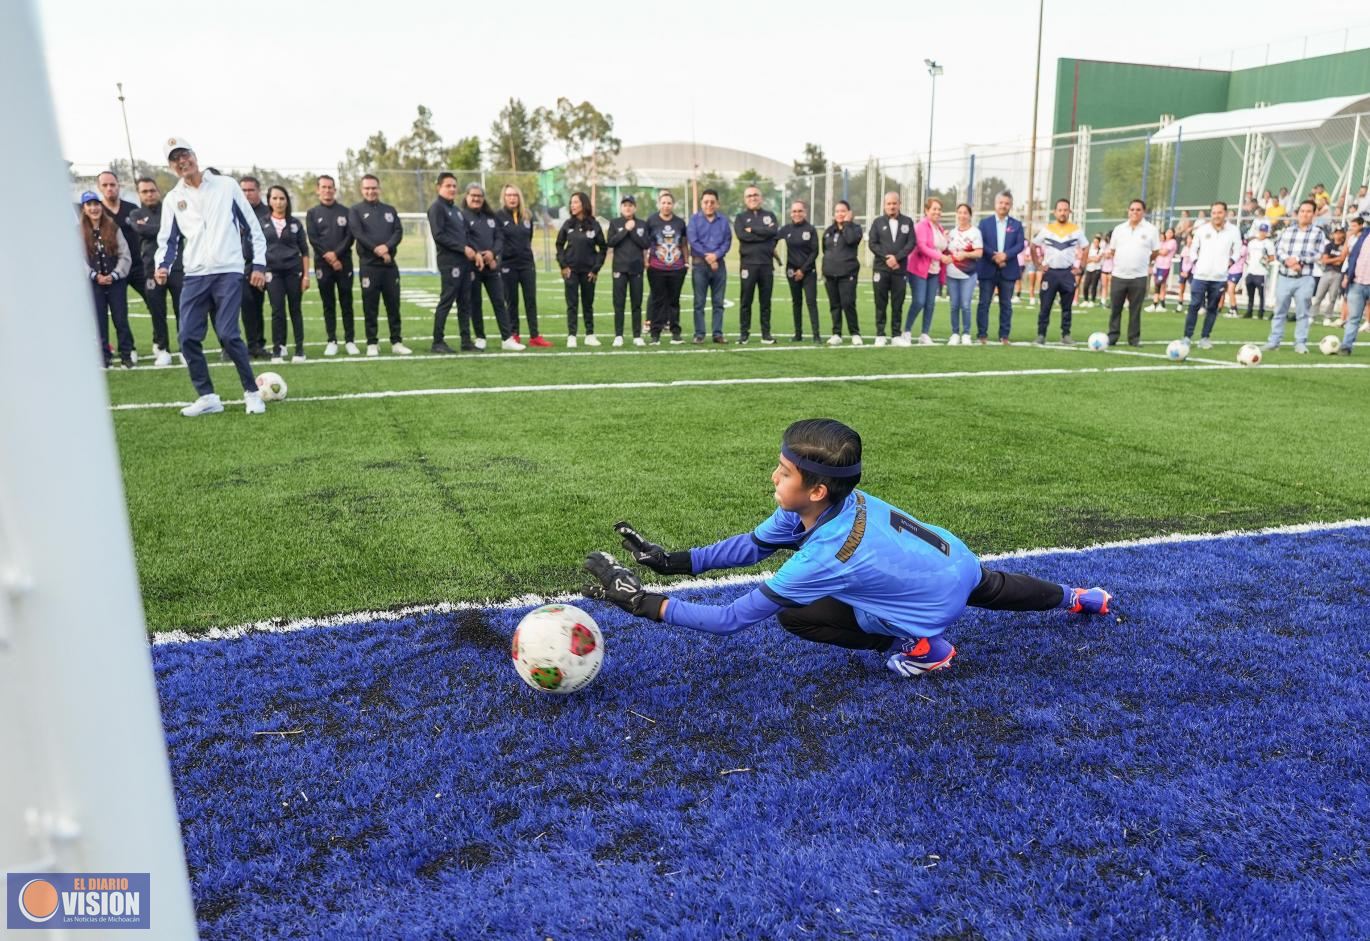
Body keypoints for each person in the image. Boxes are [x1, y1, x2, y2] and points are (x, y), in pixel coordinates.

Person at [583, 418, 1112, 678]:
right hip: (955, 559)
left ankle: (924, 648)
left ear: (815, 489)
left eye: (783, 472)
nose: (773, 477)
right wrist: (670, 562)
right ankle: (1081, 597)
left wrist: (642, 602)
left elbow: (729, 621)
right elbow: (754, 546)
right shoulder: (832, 500)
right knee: (992, 587)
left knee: (796, 616)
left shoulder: (822, 556)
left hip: (930, 603)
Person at [153, 137, 266, 416]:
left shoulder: (226, 185)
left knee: (228, 334)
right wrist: (162, 265)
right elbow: (168, 240)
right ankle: (208, 397)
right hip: (195, 275)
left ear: (194, 155)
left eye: (184, 155)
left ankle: (252, 393)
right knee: (186, 337)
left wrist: (259, 264)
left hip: (228, 270)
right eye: (175, 159)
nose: (182, 162)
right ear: (171, 166)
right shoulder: (173, 199)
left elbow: (252, 227)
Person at [349, 175, 412, 356]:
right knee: (370, 306)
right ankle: (372, 343)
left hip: (389, 266)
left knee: (393, 305)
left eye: (374, 188)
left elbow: (398, 232)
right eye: (367, 188)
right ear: (362, 190)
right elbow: (358, 234)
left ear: (379, 188)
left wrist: (387, 247)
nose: (371, 191)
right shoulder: (355, 210)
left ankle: (396, 342)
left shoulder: (389, 210)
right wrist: (378, 250)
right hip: (369, 266)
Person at [461, 183, 525, 352]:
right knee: (475, 303)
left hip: (491, 266)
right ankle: (480, 337)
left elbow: (499, 237)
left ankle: (507, 338)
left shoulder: (491, 217)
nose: (476, 199)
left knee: (499, 301)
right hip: (472, 266)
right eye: (473, 195)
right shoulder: (462, 217)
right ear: (467, 197)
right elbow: (464, 239)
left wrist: (493, 253)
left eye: (479, 196)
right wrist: (478, 253)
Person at [1262, 200, 1328, 354]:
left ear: (1314, 214)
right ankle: (1274, 341)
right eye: (1302, 211)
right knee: (1279, 311)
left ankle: (1300, 343)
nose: (1305, 214)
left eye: (1308, 211)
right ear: (1298, 213)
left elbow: (1317, 253)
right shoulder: (1287, 231)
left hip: (1305, 278)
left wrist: (1298, 260)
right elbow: (1278, 250)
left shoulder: (1318, 233)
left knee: (1303, 313)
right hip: (1285, 276)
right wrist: (1287, 261)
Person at [126, 178, 178, 366]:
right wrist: (166, 228)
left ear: (158, 191)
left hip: (177, 266)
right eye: (144, 191)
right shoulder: (136, 213)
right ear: (139, 194)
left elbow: (179, 230)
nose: (149, 194)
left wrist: (152, 228)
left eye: (152, 190)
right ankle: (163, 349)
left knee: (182, 309)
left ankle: (186, 348)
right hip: (150, 269)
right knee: (157, 311)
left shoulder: (171, 209)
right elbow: (141, 230)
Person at [79, 191, 134, 368]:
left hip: (116, 282)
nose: (93, 208)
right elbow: (77, 259)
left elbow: (125, 255)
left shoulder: (113, 228)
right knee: (99, 321)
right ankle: (104, 355)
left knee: (121, 320)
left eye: (96, 204)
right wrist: (94, 276)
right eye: (89, 205)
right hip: (94, 284)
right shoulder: (78, 232)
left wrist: (115, 274)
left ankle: (126, 354)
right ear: (84, 208)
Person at [306, 174, 358, 356]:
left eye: (330, 187)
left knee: (346, 302)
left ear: (335, 190)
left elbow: (350, 236)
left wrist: (336, 255)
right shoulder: (312, 213)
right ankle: (332, 340)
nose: (327, 190)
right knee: (328, 304)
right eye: (324, 187)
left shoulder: (346, 211)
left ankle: (350, 340)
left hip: (344, 264)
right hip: (323, 265)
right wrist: (329, 257)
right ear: (318, 190)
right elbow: (313, 239)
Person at [1182, 201, 1243, 350]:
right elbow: (1193, 249)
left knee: (1212, 308)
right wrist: (1196, 262)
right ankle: (1187, 337)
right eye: (1214, 212)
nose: (1216, 215)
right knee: (1194, 305)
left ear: (1225, 213)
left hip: (1219, 278)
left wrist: (1230, 262)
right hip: (1200, 276)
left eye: (1219, 212)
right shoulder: (1202, 230)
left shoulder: (1233, 231)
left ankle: (1205, 337)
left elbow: (1237, 251)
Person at [497, 184, 549, 347]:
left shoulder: (527, 215)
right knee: (511, 301)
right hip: (508, 265)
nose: (512, 198)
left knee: (530, 300)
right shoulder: (498, 216)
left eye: (515, 195)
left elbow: (529, 237)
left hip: (526, 263)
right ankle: (514, 334)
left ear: (519, 197)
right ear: (504, 197)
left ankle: (535, 336)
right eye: (509, 195)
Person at [262, 185, 309, 363]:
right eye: (274, 198)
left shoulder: (295, 224)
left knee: (295, 309)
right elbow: (257, 248)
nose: (278, 202)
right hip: (272, 273)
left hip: (293, 272)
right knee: (277, 311)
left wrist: (306, 276)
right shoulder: (262, 223)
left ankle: (299, 350)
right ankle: (278, 349)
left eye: (282, 198)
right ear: (269, 201)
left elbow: (305, 251)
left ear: (287, 201)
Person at [1105, 199, 1160, 348]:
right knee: (1115, 308)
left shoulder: (1151, 230)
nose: (1134, 212)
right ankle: (1112, 336)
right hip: (1119, 275)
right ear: (1128, 211)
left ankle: (1134, 338)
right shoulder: (1119, 229)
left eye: (1138, 209)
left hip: (1139, 276)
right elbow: (1113, 250)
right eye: (1132, 209)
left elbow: (1155, 252)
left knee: (1135, 310)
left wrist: (1144, 262)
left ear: (1144, 212)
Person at [1031, 197, 1086, 345]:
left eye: (1065, 210)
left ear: (1069, 212)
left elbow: (1085, 247)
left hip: (1067, 273)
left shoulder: (1076, 230)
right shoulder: (1047, 229)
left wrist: (1081, 267)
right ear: (1055, 212)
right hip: (1050, 274)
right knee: (1045, 306)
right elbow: (1033, 245)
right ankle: (1041, 334)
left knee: (1067, 307)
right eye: (1060, 210)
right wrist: (1038, 264)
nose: (1062, 213)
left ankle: (1066, 334)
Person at [556, 191, 606, 348]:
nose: (572, 205)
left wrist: (595, 269)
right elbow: (559, 245)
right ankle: (572, 336)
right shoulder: (568, 224)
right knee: (572, 304)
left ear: (584, 204)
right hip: (571, 271)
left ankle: (590, 335)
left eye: (576, 202)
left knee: (588, 304)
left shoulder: (594, 225)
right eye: (571, 202)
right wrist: (563, 265)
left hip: (588, 272)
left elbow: (603, 248)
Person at [426, 172, 468, 354]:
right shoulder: (437, 208)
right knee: (447, 300)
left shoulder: (456, 210)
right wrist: (462, 248)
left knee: (465, 302)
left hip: (464, 261)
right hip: (450, 262)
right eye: (448, 185)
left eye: (454, 186)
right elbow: (439, 236)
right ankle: (437, 341)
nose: (452, 189)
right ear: (439, 187)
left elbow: (463, 234)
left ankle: (466, 340)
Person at [975, 190, 1024, 345]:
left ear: (1011, 205)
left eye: (1007, 203)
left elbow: (1020, 245)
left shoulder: (1016, 225)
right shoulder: (984, 223)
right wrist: (995, 256)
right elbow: (981, 243)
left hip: (1008, 269)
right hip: (988, 267)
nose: (1003, 206)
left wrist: (1005, 256)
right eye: (1001, 203)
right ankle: (982, 335)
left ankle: (1004, 335)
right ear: (995, 204)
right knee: (984, 303)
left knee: (1006, 305)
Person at [866, 192, 915, 346]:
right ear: (884, 205)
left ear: (899, 204)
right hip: (881, 268)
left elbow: (911, 243)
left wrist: (897, 258)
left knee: (897, 303)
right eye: (889, 203)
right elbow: (872, 243)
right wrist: (887, 258)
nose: (892, 206)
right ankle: (880, 334)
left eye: (894, 203)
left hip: (899, 269)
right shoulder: (877, 222)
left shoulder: (907, 222)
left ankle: (896, 335)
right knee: (880, 302)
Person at [734, 185, 780, 344]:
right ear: (745, 199)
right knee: (746, 301)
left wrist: (752, 230)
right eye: (749, 196)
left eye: (755, 195)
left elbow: (773, 232)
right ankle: (744, 334)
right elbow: (742, 236)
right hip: (748, 265)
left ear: (761, 197)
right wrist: (763, 233)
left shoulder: (770, 215)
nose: (752, 198)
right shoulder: (740, 218)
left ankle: (766, 334)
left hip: (766, 264)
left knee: (765, 301)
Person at [644, 190, 689, 344]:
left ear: (673, 205)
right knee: (657, 301)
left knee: (674, 301)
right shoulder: (651, 221)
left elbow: (684, 243)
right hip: (656, 268)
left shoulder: (679, 223)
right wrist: (646, 261)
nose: (666, 205)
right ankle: (655, 334)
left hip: (677, 268)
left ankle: (675, 333)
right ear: (659, 204)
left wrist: (686, 262)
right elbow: (645, 243)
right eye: (663, 203)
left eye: (669, 203)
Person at [606, 194, 651, 347]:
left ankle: (637, 335)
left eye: (630, 205)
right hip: (619, 268)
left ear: (635, 208)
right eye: (625, 205)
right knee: (619, 303)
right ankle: (618, 335)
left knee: (636, 303)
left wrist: (632, 231)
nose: (627, 208)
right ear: (621, 208)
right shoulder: (615, 223)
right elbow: (611, 242)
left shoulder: (642, 224)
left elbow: (645, 244)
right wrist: (625, 230)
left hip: (636, 269)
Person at [904, 197, 949, 346]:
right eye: (934, 209)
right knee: (919, 301)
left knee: (930, 304)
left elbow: (942, 247)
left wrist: (947, 246)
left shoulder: (940, 228)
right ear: (927, 210)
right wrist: (940, 257)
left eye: (939, 209)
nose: (937, 212)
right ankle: (907, 331)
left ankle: (924, 334)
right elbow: (922, 247)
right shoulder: (921, 226)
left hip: (934, 271)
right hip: (919, 270)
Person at [236, 176, 272, 358]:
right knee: (247, 305)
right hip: (241, 266)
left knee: (260, 306)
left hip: (264, 266)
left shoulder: (268, 212)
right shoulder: (235, 212)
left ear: (259, 191)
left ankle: (261, 344)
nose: (247, 194)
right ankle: (251, 345)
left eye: (251, 190)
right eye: (243, 190)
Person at [690, 189, 731, 344]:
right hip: (700, 266)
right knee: (699, 302)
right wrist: (709, 257)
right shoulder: (694, 220)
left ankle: (717, 333)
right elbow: (693, 241)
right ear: (701, 203)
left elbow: (727, 242)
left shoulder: (724, 221)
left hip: (719, 266)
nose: (709, 205)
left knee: (718, 302)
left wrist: (716, 256)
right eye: (706, 202)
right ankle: (699, 334)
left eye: (712, 202)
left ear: (717, 204)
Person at [777, 200, 821, 343]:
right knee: (796, 302)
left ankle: (816, 335)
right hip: (791, 272)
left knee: (811, 302)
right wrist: (774, 256)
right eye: (794, 211)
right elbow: (771, 240)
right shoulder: (786, 229)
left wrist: (802, 270)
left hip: (808, 272)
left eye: (800, 211)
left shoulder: (811, 229)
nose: (797, 214)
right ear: (791, 214)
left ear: (805, 212)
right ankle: (798, 334)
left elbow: (815, 252)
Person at [822, 201, 863, 346]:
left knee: (848, 303)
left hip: (847, 273)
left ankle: (855, 333)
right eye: (837, 211)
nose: (840, 214)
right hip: (830, 274)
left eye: (843, 211)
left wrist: (846, 223)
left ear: (849, 213)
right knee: (834, 305)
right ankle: (836, 333)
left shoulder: (855, 229)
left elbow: (851, 240)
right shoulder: (829, 231)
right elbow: (825, 250)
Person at [944, 203, 982, 345]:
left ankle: (966, 333)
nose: (962, 215)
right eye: (959, 212)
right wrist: (944, 239)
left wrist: (965, 254)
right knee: (954, 305)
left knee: (965, 305)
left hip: (968, 274)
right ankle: (955, 333)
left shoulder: (975, 232)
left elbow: (979, 253)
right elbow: (945, 250)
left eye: (965, 213)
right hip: (951, 274)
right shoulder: (951, 233)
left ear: (970, 215)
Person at [1337, 214, 1369, 355]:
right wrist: (1347, 276)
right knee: (1353, 317)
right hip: (1357, 282)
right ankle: (1346, 346)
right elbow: (1353, 258)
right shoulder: (1362, 237)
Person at [1313, 227, 1348, 326]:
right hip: (1327, 272)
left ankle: (1327, 316)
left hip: (1338, 273)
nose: (1338, 235)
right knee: (1319, 295)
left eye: (1340, 233)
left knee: (1333, 297)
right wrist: (1337, 259)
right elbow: (1325, 260)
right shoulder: (1329, 246)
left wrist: (1333, 260)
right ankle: (1312, 315)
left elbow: (1342, 259)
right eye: (1336, 233)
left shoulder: (1344, 246)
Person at [1243, 223, 1275, 319]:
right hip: (1251, 270)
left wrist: (1266, 260)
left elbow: (1272, 257)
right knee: (1250, 293)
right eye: (1261, 230)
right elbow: (1248, 255)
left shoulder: (1269, 243)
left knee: (1261, 294)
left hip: (1261, 272)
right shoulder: (1252, 243)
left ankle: (1261, 312)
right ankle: (1249, 311)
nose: (1262, 233)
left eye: (1264, 231)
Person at [1148, 227, 1176, 311]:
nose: (1168, 234)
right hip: (1158, 266)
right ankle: (1159, 304)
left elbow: (1164, 253)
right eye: (1167, 232)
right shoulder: (1162, 242)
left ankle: (1158, 304)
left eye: (1170, 232)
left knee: (1159, 283)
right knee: (1160, 285)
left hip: (1165, 266)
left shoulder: (1172, 242)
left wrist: (1157, 251)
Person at [1080, 234, 1103, 309]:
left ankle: (1092, 301)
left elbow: (1097, 260)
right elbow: (1086, 259)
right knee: (1086, 285)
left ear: (1099, 243)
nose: (1095, 243)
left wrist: (1091, 258)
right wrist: (1092, 258)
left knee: (1094, 286)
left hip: (1096, 270)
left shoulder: (1100, 250)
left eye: (1096, 242)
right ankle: (1086, 300)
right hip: (1089, 269)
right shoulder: (1090, 250)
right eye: (1094, 242)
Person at [1176, 234, 1194, 310]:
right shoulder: (1184, 249)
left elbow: (1194, 262)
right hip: (1183, 272)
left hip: (1191, 272)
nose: (1189, 240)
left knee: (1193, 289)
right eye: (1188, 239)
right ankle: (1180, 304)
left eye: (1191, 239)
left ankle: (1192, 306)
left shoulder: (1194, 250)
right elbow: (1181, 261)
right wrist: (1181, 271)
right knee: (1181, 289)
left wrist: (1188, 272)